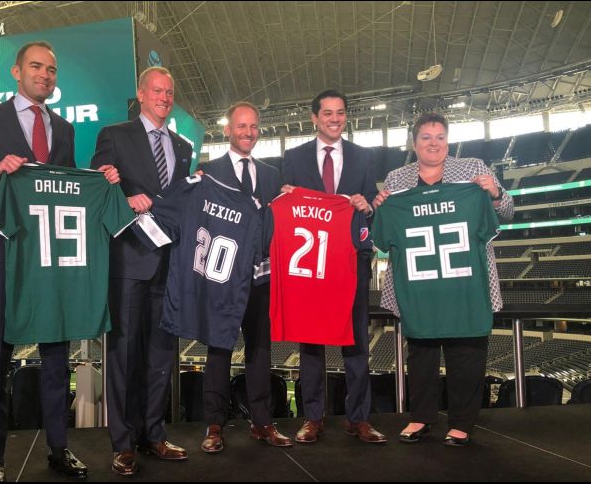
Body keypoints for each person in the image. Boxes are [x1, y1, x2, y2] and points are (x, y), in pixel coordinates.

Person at [0, 41, 118, 482]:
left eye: (51, 69)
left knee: (56, 354)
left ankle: (58, 448)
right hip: (5, 251)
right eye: (36, 66)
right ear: (17, 71)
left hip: (50, 254)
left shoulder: (63, 129)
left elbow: (67, 186)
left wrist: (98, 179)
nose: (45, 75)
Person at [372, 112, 514, 446]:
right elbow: (383, 234)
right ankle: (421, 417)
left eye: (440, 137)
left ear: (448, 142)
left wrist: (495, 193)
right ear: (414, 143)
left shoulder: (473, 169)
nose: (433, 143)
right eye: (426, 137)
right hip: (418, 283)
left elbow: (507, 213)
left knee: (466, 350)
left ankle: (462, 422)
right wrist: (380, 207)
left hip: (464, 281)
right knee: (420, 352)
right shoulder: (397, 178)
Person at [90, 66, 192, 476]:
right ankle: (123, 443)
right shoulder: (114, 135)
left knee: (161, 355)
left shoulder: (183, 146)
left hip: (170, 263)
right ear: (141, 93)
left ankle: (154, 434)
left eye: (169, 92)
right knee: (124, 355)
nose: (164, 97)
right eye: (157, 90)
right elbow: (99, 187)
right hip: (129, 260)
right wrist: (119, 191)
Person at [281, 89, 386, 444]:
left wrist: (366, 204)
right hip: (311, 263)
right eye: (327, 113)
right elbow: (285, 203)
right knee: (311, 343)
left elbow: (371, 201)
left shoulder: (363, 156)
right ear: (314, 118)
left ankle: (359, 418)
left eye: (340, 112)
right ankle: (313, 417)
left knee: (356, 342)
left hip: (351, 260)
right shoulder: (294, 157)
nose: (335, 119)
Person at [196, 102, 291, 453]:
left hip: (261, 278)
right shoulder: (209, 171)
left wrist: (289, 200)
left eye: (253, 126)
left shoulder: (271, 174)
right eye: (241, 126)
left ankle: (262, 422)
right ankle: (215, 424)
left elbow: (279, 220)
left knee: (260, 349)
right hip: (222, 276)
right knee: (218, 349)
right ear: (227, 130)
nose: (248, 132)